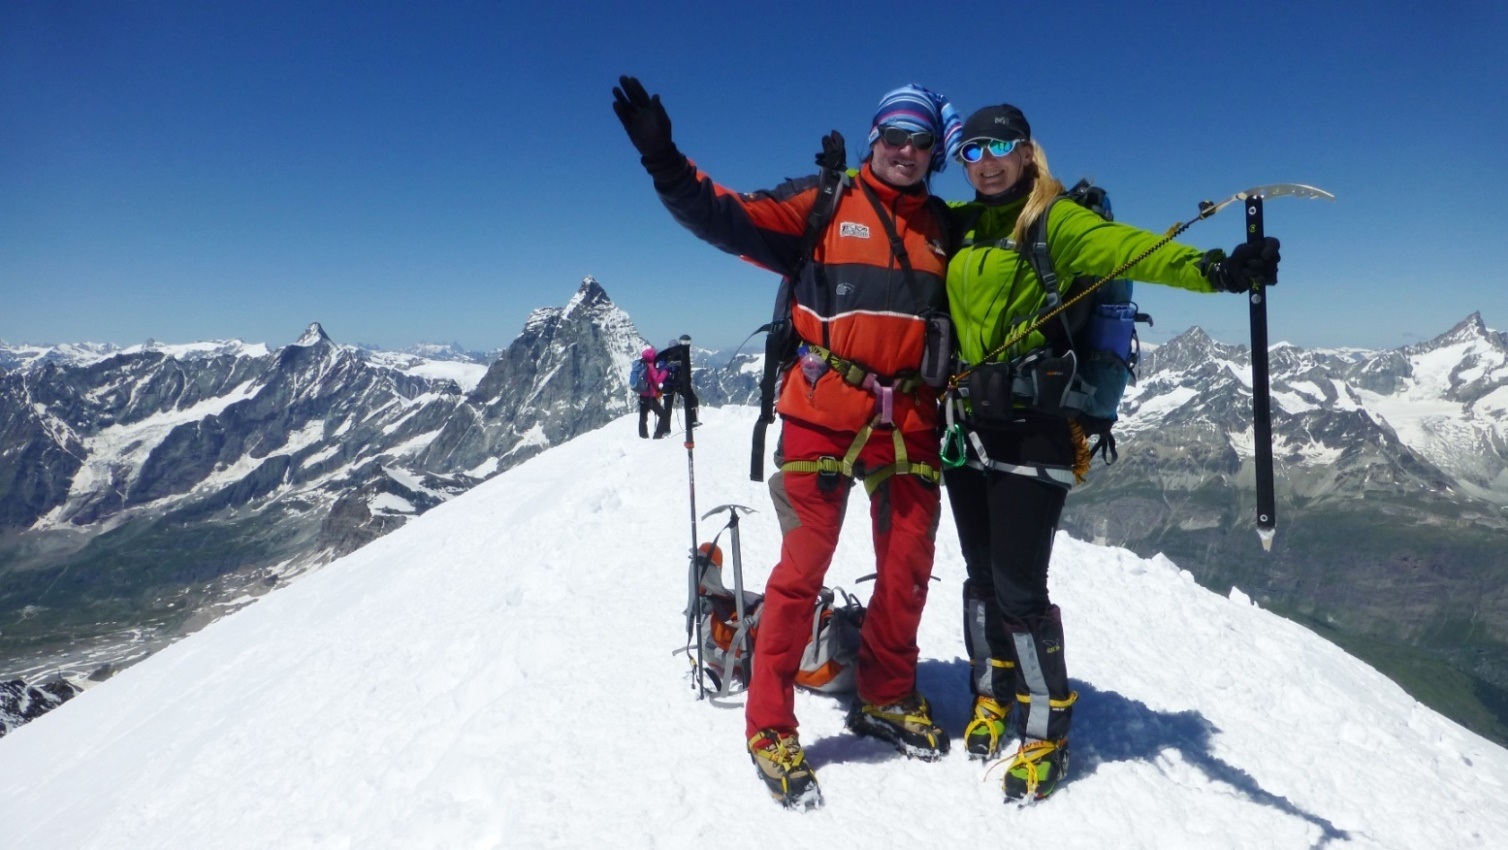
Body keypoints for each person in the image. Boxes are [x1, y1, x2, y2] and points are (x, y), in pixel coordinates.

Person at [613, 75, 962, 809]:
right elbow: (724, 216)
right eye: (894, 136)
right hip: (822, 415)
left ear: (934, 151)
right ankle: (769, 723)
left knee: (908, 566)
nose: (905, 150)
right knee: (802, 571)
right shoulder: (825, 202)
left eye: (920, 140)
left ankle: (887, 692)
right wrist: (663, 160)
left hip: (909, 422)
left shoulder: (944, 227)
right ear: (874, 139)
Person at [940, 103, 1281, 802]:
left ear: (1027, 151)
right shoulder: (963, 222)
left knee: (1018, 587)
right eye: (971, 151)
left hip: (1036, 426)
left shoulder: (1056, 221)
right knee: (980, 576)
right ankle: (991, 696)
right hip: (968, 424)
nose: (985, 161)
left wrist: (1216, 268)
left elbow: (1131, 250)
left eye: (999, 146)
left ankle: (1045, 731)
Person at [654, 335, 698, 437]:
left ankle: (662, 431)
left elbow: (661, 369)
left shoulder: (665, 357)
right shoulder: (676, 356)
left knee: (667, 409)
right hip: (676, 384)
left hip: (669, 385)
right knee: (691, 399)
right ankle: (692, 421)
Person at [635, 346, 669, 439]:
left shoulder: (641, 365)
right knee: (663, 416)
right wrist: (665, 372)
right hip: (650, 397)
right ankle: (658, 435)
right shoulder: (651, 367)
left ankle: (643, 436)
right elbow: (658, 380)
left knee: (643, 418)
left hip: (642, 395)